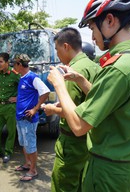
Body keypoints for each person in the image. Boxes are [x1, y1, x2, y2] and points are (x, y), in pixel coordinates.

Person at [47, 0, 130, 191]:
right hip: (123, 167)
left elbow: (79, 125)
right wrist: (82, 80)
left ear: (109, 21)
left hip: (107, 171)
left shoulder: (119, 68)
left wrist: (58, 84)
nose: (92, 37)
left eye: (92, 28)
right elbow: (112, 102)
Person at [42, 28, 100, 191]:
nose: (57, 54)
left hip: (73, 142)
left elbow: (73, 113)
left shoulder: (72, 71)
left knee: (64, 185)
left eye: (57, 49)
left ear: (66, 46)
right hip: (89, 141)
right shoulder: (93, 66)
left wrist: (53, 109)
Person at [13, 54, 50, 182]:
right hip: (20, 118)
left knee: (31, 145)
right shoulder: (22, 77)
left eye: (15, 63)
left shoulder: (32, 78)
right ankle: (27, 163)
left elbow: (45, 92)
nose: (13, 66)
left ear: (19, 64)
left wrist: (35, 108)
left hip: (29, 120)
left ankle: (33, 171)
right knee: (24, 143)